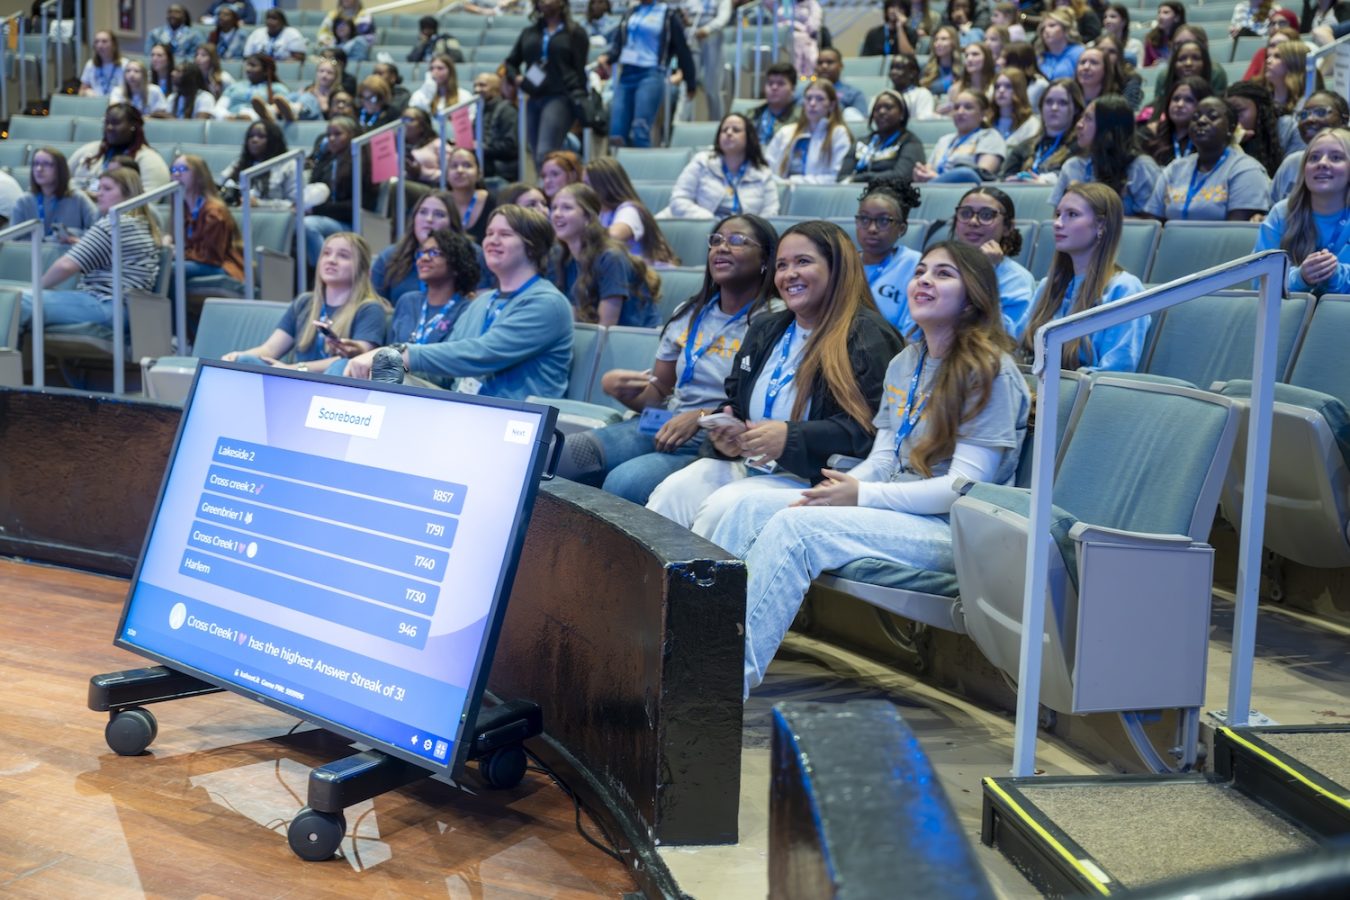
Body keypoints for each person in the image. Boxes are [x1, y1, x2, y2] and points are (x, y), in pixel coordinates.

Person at [709, 241, 1031, 697]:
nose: (923, 280)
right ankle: (695, 655)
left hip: (954, 530)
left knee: (799, 530)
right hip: (894, 510)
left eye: (943, 274)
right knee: (747, 507)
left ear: (973, 295)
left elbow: (963, 489)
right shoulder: (906, 361)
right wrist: (841, 487)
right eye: (920, 271)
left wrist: (860, 496)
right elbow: (883, 459)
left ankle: (717, 692)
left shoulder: (990, 371)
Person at [644, 220, 904, 536]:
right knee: (669, 494)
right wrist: (728, 430)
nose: (788, 274)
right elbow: (736, 401)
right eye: (782, 265)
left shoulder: (868, 336)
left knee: (722, 509)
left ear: (837, 269)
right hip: (750, 463)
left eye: (803, 262)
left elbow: (873, 434)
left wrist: (790, 437)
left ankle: (703, 587)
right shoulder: (767, 328)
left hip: (813, 477)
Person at [560, 215, 780, 503]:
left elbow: (767, 405)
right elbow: (659, 393)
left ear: (766, 259)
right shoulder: (690, 312)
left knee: (624, 483)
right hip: (665, 421)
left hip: (718, 438)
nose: (722, 247)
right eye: (716, 240)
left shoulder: (776, 319)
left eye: (737, 240)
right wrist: (621, 390)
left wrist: (702, 417)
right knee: (564, 456)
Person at [345, 206, 574, 400]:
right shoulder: (482, 301)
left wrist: (398, 354)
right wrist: (382, 362)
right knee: (358, 371)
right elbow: (442, 374)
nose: (492, 241)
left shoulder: (547, 303)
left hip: (516, 420)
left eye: (505, 234)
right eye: (489, 233)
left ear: (532, 246)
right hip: (463, 408)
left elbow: (482, 354)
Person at [1017, 183, 1146, 368]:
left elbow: (1115, 371)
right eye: (1058, 214)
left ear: (1101, 225)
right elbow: (1018, 348)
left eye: (1072, 214)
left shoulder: (1123, 288)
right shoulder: (1048, 286)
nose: (1057, 223)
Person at [19, 168, 161, 333]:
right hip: (126, 310)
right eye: (99, 188)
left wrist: (36, 288)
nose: (99, 194)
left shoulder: (115, 224)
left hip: (108, 305)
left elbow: (66, 266)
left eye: (107, 189)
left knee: (18, 302)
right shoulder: (141, 224)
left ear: (128, 194)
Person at [223, 232, 389, 372]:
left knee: (341, 365)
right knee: (244, 361)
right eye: (326, 253)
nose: (331, 260)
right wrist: (237, 357)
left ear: (363, 270)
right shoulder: (305, 302)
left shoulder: (369, 308)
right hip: (293, 377)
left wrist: (294, 369)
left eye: (343, 256)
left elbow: (360, 359)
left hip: (333, 387)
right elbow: (270, 349)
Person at [549, 183, 660, 327]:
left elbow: (606, 327)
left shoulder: (611, 257)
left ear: (588, 217)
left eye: (567, 207)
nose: (557, 214)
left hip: (634, 342)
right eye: (554, 208)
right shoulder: (561, 256)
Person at [1255, 128, 1350, 296]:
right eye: (1314, 158)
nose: (1322, 163)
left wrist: (1334, 275)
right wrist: (1300, 278)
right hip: (1288, 318)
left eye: (1336, 157)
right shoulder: (1282, 213)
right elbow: (1259, 282)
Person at [1145, 96, 1272, 222]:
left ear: (1231, 128)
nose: (1201, 121)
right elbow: (1154, 224)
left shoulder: (1246, 170)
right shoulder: (1175, 169)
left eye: (1212, 117)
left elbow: (1236, 232)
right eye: (1195, 117)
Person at [594, 0, 698, 148]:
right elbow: (620, 43)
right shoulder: (631, 12)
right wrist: (608, 57)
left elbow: (682, 49)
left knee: (640, 129)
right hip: (627, 74)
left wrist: (690, 81)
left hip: (651, 73)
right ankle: (620, 169)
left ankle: (644, 169)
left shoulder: (668, 15)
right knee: (616, 133)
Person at [386, 228, 482, 375]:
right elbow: (389, 350)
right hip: (396, 379)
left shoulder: (467, 310)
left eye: (434, 253)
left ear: (457, 264)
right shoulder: (407, 301)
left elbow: (455, 367)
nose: (424, 258)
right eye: (422, 252)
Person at [948, 186, 1038, 331]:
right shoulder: (939, 267)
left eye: (986, 215)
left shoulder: (1018, 279)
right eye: (965, 213)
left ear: (1008, 227)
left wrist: (984, 272)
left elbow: (1008, 339)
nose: (973, 221)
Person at [1056, 94, 1161, 216]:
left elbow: (1152, 225)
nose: (1079, 125)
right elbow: (1057, 219)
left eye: (1088, 119)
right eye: (1081, 117)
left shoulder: (1141, 167)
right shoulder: (1072, 166)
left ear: (1108, 128)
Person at [665, 112, 780, 218]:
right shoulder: (702, 162)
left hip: (745, 236)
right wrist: (708, 220)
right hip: (706, 230)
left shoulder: (763, 173)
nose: (729, 133)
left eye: (736, 130)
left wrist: (750, 230)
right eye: (724, 130)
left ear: (749, 137)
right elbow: (679, 200)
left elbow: (771, 211)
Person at [371, 192, 473, 301]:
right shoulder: (389, 257)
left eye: (439, 214)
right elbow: (376, 306)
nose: (429, 219)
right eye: (423, 212)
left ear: (452, 223)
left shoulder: (471, 255)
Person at [855, 177, 923, 336]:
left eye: (884, 221)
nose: (872, 228)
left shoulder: (915, 264)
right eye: (864, 219)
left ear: (902, 229)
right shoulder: (844, 262)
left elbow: (912, 334)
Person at [168, 154, 245, 292]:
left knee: (170, 270)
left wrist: (178, 253)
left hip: (220, 265)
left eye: (183, 169)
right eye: (173, 170)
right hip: (195, 262)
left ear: (199, 176)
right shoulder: (181, 208)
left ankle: (171, 314)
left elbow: (211, 256)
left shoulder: (214, 212)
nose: (177, 174)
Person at [303, 117, 375, 262]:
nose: (331, 138)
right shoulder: (327, 161)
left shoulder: (361, 163)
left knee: (307, 225)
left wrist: (317, 210)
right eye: (328, 134)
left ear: (352, 136)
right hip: (325, 217)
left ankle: (325, 273)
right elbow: (313, 190)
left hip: (349, 222)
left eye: (337, 134)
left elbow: (356, 206)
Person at [585, 157, 678, 265]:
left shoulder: (629, 209)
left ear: (603, 186)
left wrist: (578, 235)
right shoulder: (600, 212)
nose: (584, 189)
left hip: (653, 276)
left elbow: (615, 234)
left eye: (587, 184)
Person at [68, 104, 171, 194]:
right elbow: (63, 181)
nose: (109, 127)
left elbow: (148, 202)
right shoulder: (88, 150)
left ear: (133, 126)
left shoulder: (149, 160)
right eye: (107, 123)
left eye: (115, 123)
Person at [765, 81, 852, 185]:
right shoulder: (786, 132)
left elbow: (836, 177)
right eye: (808, 98)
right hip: (782, 192)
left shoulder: (838, 133)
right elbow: (766, 167)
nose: (812, 103)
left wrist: (793, 181)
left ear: (831, 105)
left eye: (819, 99)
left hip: (819, 195)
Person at [912, 90, 1007, 183]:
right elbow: (928, 169)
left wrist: (937, 179)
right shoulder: (944, 140)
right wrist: (921, 173)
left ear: (983, 114)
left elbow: (983, 176)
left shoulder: (990, 136)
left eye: (968, 107)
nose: (960, 112)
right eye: (956, 107)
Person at [1272, 91, 1350, 201]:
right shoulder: (1291, 163)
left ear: (1344, 120)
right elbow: (1271, 209)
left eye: (1320, 112)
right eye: (1303, 114)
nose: (1309, 119)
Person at [1000, 78, 1081, 182]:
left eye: (1062, 103)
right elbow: (1002, 181)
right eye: (1049, 102)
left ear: (1076, 109)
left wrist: (1044, 181)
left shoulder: (1080, 147)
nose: (1054, 108)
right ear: (1041, 107)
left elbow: (1076, 179)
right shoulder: (1024, 147)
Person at [10, 148, 99, 242]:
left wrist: (75, 235)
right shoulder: (23, 202)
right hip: (31, 255)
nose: (39, 169)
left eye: (46, 164)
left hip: (69, 254)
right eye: (36, 164)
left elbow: (97, 232)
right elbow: (14, 241)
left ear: (60, 169)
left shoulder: (78, 198)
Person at [842, 91, 925, 185]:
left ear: (902, 114)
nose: (881, 112)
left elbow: (902, 176)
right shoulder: (861, 142)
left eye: (888, 108)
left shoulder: (910, 142)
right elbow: (842, 177)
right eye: (877, 109)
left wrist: (862, 178)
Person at [218, 119, 296, 208]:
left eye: (261, 136)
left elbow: (294, 205)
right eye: (251, 136)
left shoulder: (288, 165)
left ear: (273, 140)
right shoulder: (240, 163)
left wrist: (260, 204)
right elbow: (220, 187)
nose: (254, 140)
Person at [682, 0, 735, 122]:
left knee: (713, 88)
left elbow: (723, 17)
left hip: (712, 38)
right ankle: (682, 123)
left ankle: (717, 124)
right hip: (691, 37)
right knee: (688, 85)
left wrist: (708, 29)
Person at [1144, 76, 1211, 168]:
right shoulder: (1152, 135)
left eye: (1189, 100)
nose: (1180, 105)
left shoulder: (1209, 141)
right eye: (1176, 99)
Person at [1227, 82, 1283, 179]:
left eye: (1238, 111)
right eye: (1229, 113)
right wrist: (1233, 144)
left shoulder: (1285, 127)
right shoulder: (1227, 139)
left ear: (1260, 109)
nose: (1233, 118)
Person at [213, 54, 291, 121]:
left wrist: (251, 116)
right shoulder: (235, 86)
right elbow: (219, 107)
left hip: (259, 121)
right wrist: (228, 116)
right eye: (248, 65)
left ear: (266, 71)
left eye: (253, 66)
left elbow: (280, 109)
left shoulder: (277, 88)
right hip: (230, 120)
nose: (248, 69)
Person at [473, 72, 520, 182]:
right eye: (475, 85)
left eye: (482, 85)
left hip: (500, 169)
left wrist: (481, 148)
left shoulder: (507, 111)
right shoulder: (480, 111)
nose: (477, 89)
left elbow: (510, 147)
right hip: (482, 165)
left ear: (496, 88)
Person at [446, 148, 497, 244]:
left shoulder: (494, 202)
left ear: (479, 174)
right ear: (447, 175)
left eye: (467, 165)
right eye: (454, 166)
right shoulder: (439, 203)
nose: (460, 170)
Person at [806, 48, 869, 122]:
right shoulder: (805, 91)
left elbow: (859, 125)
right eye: (820, 63)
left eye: (830, 62)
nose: (824, 66)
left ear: (841, 66)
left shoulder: (854, 94)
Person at [748, 63, 800, 148]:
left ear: (793, 88)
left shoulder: (801, 118)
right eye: (770, 83)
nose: (774, 87)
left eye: (781, 83)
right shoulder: (752, 114)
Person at [942, 41, 997, 119]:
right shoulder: (955, 90)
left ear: (987, 58)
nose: (969, 59)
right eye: (966, 55)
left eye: (975, 54)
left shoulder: (996, 87)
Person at [990, 70, 1042, 147]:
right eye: (997, 87)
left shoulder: (1031, 124)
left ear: (1019, 90)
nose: (1001, 90)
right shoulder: (987, 121)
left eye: (1008, 86)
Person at [398, 108, 448, 188]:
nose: (403, 123)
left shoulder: (438, 144)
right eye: (402, 119)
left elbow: (449, 175)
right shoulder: (396, 147)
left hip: (430, 189)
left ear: (422, 126)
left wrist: (421, 173)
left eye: (409, 120)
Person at [1036, 9, 1084, 81]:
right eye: (1043, 28)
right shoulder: (1039, 57)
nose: (1046, 30)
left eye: (1052, 25)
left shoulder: (1079, 53)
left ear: (1066, 30)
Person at [243, 9, 308, 62]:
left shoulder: (292, 33)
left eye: (274, 18)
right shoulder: (257, 33)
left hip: (283, 68)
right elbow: (247, 56)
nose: (270, 21)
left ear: (282, 21)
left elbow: (299, 57)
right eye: (268, 18)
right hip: (260, 70)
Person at [1000, 41, 1050, 109]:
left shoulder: (1039, 85)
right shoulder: (1001, 82)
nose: (999, 62)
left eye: (1006, 60)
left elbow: (1024, 109)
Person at [888, 54, 936, 122]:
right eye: (892, 68)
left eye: (899, 68)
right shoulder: (884, 96)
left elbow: (923, 122)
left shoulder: (922, 94)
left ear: (912, 73)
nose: (893, 72)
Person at [79, 31, 125, 98]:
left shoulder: (125, 65)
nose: (99, 45)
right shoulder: (90, 64)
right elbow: (81, 91)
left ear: (114, 45)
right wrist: (86, 92)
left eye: (104, 41)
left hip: (117, 105)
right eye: (97, 42)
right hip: (97, 104)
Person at [1143, 1, 1185, 69]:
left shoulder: (1185, 38)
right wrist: (1152, 68)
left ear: (1177, 17)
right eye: (1159, 12)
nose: (1160, 16)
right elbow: (1146, 67)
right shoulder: (1151, 38)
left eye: (1166, 12)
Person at [920, 25, 961, 95]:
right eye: (936, 40)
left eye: (944, 39)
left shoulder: (963, 68)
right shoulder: (926, 67)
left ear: (953, 42)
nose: (938, 43)